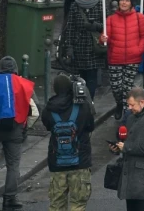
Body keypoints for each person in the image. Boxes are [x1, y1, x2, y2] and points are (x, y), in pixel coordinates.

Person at [0, 56, 37, 211]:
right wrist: (24, 127)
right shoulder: (24, 84)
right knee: (13, 164)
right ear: (16, 69)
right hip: (15, 130)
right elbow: (35, 111)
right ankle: (10, 198)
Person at [41, 73, 95, 211]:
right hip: (80, 161)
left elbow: (48, 125)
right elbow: (90, 126)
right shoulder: (82, 106)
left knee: (57, 204)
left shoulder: (49, 109)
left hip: (57, 162)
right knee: (78, 204)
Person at [106, 0, 144, 119]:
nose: (124, 3)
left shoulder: (139, 18)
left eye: (127, 0)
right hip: (115, 58)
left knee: (128, 88)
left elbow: (143, 36)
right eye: (122, 0)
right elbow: (106, 38)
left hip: (132, 58)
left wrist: (139, 50)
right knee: (116, 88)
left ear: (131, 3)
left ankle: (127, 117)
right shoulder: (111, 19)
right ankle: (119, 104)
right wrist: (103, 39)